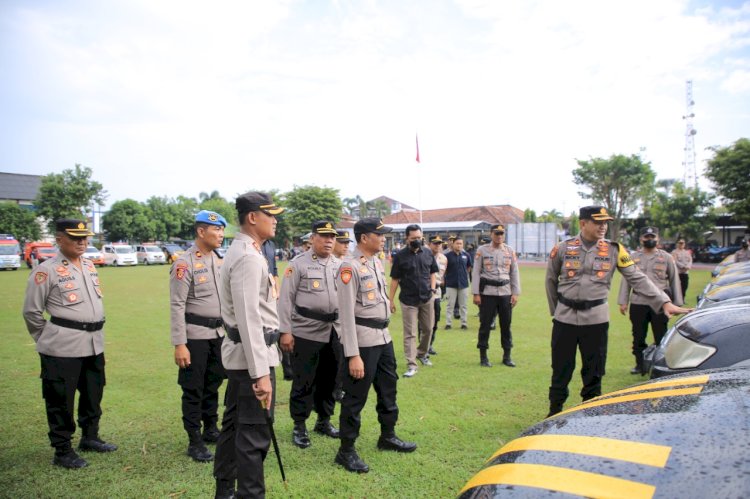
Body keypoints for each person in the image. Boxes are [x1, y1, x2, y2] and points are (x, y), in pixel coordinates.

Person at [545, 206, 691, 417]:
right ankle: (554, 412)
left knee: (594, 371)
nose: (603, 226)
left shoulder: (615, 250)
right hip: (564, 319)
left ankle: (590, 415)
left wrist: (664, 302)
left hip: (596, 319)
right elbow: (550, 281)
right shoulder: (562, 248)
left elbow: (637, 278)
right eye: (598, 222)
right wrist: (557, 310)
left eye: (606, 222)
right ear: (583, 223)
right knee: (561, 369)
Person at [22, 219, 116, 469]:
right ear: (59, 239)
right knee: (60, 399)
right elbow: (32, 312)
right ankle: (62, 450)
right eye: (75, 238)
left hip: (94, 342)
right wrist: (48, 339)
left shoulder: (88, 265)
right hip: (62, 346)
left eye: (85, 237)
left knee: (93, 393)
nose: (82, 242)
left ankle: (90, 437)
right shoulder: (46, 270)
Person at [213, 191, 284, 499]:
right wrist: (261, 374)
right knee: (253, 437)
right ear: (253, 217)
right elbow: (249, 319)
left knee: (233, 429)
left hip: (247, 356)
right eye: (271, 214)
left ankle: (225, 490)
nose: (276, 220)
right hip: (252, 359)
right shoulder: (247, 257)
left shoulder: (248, 251)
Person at [335, 218, 416, 473]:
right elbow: (346, 314)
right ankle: (346, 450)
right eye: (378, 235)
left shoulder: (376, 262)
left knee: (388, 388)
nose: (383, 239)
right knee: (355, 397)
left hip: (383, 338)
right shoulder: (349, 267)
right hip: (363, 341)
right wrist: (353, 355)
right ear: (363, 238)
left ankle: (387, 435)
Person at [278, 220, 342, 449]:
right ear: (312, 238)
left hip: (333, 331)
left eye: (332, 237)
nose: (329, 241)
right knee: (304, 379)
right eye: (324, 236)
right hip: (305, 331)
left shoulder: (339, 264)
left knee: (330, 379)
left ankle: (324, 421)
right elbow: (285, 299)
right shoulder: (298, 264)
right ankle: (299, 425)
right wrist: (285, 332)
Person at [170, 210, 227, 463]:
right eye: (216, 230)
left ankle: (210, 428)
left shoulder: (219, 260)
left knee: (213, 384)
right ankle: (194, 440)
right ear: (201, 232)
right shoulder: (184, 263)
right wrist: (180, 344)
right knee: (193, 388)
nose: (221, 235)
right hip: (195, 336)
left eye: (223, 230)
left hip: (219, 334)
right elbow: (176, 305)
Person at [618, 226, 683, 375]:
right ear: (641, 239)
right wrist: (623, 301)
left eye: (653, 237)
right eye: (646, 237)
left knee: (661, 336)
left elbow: (674, 280)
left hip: (660, 304)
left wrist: (677, 303)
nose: (650, 239)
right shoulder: (632, 257)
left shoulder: (666, 257)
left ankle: (660, 365)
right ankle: (640, 365)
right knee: (638, 336)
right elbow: (626, 280)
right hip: (638, 302)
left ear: (658, 239)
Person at [388, 224, 438, 378]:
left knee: (428, 329)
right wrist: (390, 300)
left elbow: (433, 272)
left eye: (419, 237)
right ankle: (412, 364)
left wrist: (433, 288)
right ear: (407, 238)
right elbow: (395, 279)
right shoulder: (400, 256)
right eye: (413, 238)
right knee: (410, 333)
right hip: (408, 300)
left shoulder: (428, 253)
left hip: (426, 298)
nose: (417, 240)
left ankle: (422, 354)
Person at [472, 224, 521, 368]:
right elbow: (475, 272)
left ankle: (507, 356)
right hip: (488, 293)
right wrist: (476, 293)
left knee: (506, 325)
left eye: (502, 234)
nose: (499, 236)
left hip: (505, 292)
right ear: (491, 234)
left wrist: (515, 293)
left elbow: (514, 272)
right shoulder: (482, 250)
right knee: (485, 325)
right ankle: (483, 356)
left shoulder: (509, 251)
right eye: (496, 233)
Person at [332, 229, 352, 401]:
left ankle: (339, 387)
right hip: (326, 319)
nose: (346, 246)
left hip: (344, 318)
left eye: (348, 243)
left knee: (344, 354)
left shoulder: (348, 263)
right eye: (342, 242)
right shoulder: (329, 263)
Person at [444, 237, 472, 329]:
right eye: (457, 243)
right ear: (453, 244)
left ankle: (464, 323)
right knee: (450, 305)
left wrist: (463, 275)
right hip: (451, 284)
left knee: (463, 305)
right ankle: (448, 323)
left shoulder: (466, 255)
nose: (459, 245)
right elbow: (444, 269)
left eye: (461, 243)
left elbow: (469, 267)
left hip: (463, 284)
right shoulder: (447, 256)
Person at [428, 236, 447, 355]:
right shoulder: (424, 256)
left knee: (435, 320)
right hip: (426, 292)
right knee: (425, 321)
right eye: (435, 243)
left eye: (439, 243)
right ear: (430, 244)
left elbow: (443, 275)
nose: (437, 245)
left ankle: (430, 344)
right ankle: (423, 344)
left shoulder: (443, 258)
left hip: (437, 293)